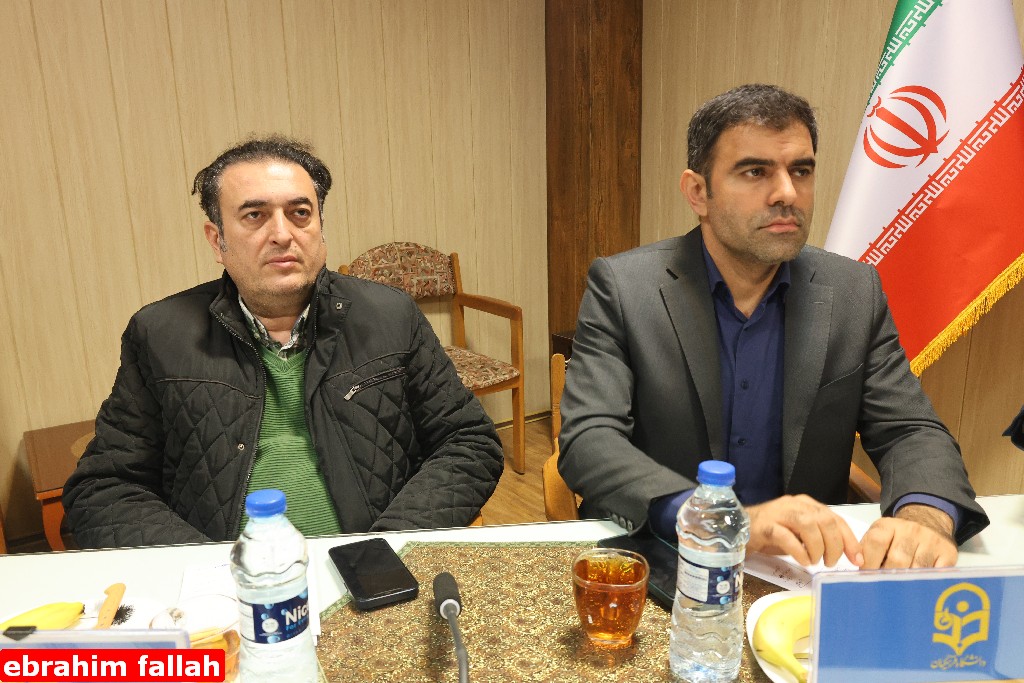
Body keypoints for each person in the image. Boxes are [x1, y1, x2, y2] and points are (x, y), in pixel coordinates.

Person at [558, 84, 989, 570]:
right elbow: (590, 438)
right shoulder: (624, 288)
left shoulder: (853, 291)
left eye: (800, 171)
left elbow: (909, 430)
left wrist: (925, 516)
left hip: (804, 570)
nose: (787, 193)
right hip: (663, 561)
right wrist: (715, 520)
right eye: (755, 171)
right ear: (698, 192)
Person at [64, 136, 504, 548]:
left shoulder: (390, 316)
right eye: (254, 215)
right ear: (217, 240)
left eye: (300, 213)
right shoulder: (161, 334)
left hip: (373, 569)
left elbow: (469, 441)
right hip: (229, 586)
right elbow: (103, 489)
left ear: (320, 227)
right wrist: (206, 567)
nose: (282, 234)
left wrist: (388, 546)